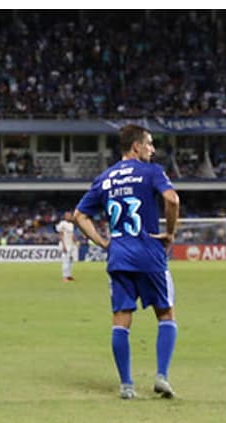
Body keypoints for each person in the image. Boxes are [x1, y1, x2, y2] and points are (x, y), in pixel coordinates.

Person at [73, 124, 180, 400]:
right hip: (149, 252)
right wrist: (170, 233)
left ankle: (127, 385)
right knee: (165, 313)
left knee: (121, 319)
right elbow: (172, 199)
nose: (153, 150)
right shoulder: (151, 172)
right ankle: (162, 377)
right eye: (150, 144)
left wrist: (103, 243)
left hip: (118, 255)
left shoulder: (105, 179)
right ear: (136, 146)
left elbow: (79, 216)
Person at [55, 210, 78, 282]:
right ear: (65, 216)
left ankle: (69, 275)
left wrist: (76, 242)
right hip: (65, 244)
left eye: (70, 215)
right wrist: (64, 246)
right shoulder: (62, 224)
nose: (69, 216)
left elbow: (72, 235)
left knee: (70, 260)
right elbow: (61, 235)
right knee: (65, 260)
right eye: (67, 215)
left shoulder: (71, 224)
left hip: (71, 244)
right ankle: (64, 276)